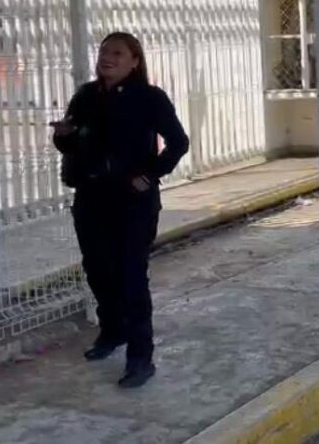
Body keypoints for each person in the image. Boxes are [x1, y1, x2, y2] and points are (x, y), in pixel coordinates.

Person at [52, 32, 189, 387]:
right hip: (91, 196)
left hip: (133, 200)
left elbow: (178, 143)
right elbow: (68, 143)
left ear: (134, 61)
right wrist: (64, 133)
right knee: (98, 270)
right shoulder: (86, 96)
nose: (107, 58)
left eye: (117, 52)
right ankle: (112, 332)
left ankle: (141, 357)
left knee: (131, 276)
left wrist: (150, 174)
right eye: (103, 51)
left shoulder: (150, 99)